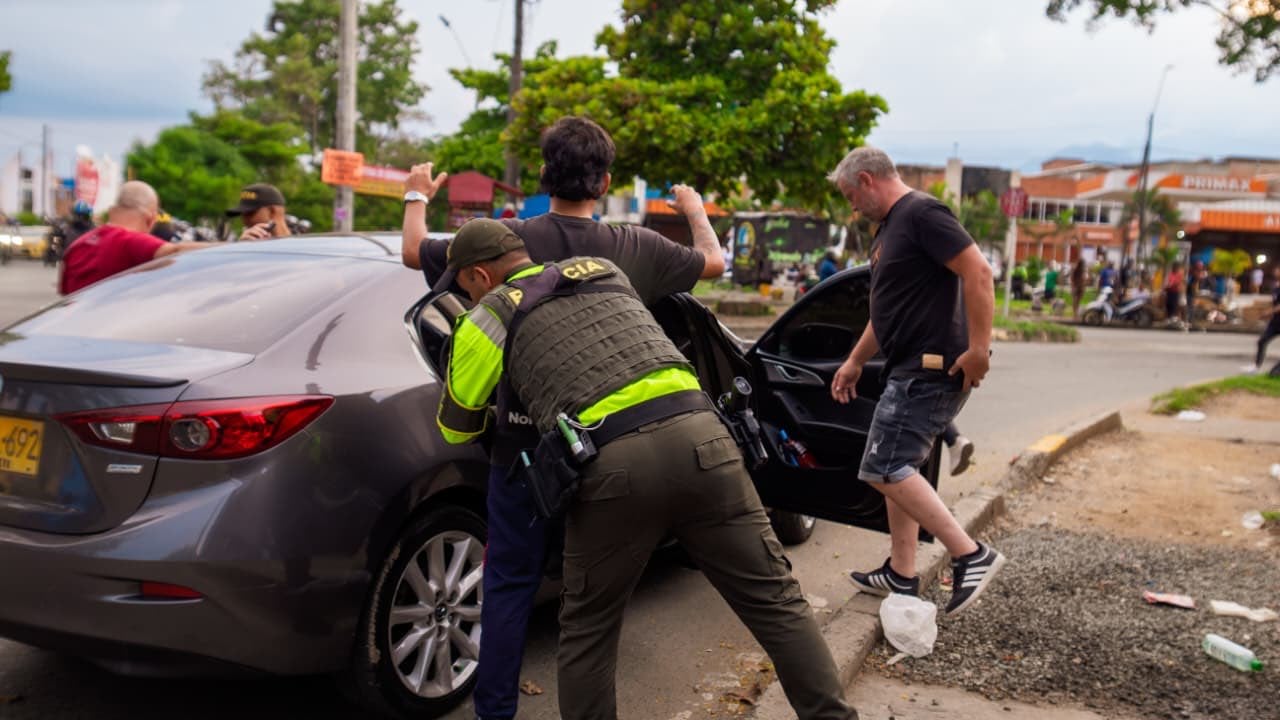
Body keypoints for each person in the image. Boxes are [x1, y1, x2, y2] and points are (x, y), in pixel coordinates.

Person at [435, 219, 857, 720]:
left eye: (462, 287)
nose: (465, 296)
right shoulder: (604, 271)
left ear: (479, 276)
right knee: (777, 602)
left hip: (613, 467)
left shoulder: (488, 316)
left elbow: (457, 428)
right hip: (705, 438)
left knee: (590, 632)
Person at [400, 116, 726, 720]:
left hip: (521, 449)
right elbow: (714, 263)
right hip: (611, 446)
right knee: (592, 593)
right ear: (604, 181)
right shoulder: (633, 246)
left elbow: (413, 250)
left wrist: (417, 191)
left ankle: (494, 710)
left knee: (507, 582)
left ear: (545, 173)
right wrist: (693, 208)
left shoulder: (501, 240)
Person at [827, 147, 1004, 613]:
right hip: (905, 369)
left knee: (883, 467)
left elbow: (979, 272)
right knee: (896, 466)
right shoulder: (890, 230)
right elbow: (883, 314)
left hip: (929, 371)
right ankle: (901, 573)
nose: (852, 208)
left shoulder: (922, 213)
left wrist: (979, 350)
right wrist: (855, 361)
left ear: (866, 180)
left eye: (850, 196)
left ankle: (971, 554)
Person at [59, 181, 213, 295]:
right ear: (150, 218)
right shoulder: (128, 241)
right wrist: (233, 247)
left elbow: (64, 294)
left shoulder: (76, 246)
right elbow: (174, 250)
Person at [1245, 265, 1280, 374]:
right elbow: (1275, 302)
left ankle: (1276, 370)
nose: (1276, 271)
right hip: (1275, 322)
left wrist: (1270, 312)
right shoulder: (1276, 286)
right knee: (1262, 341)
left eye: (1278, 270)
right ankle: (1256, 366)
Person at [226, 183, 292, 240]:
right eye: (242, 214)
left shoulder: (300, 242)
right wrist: (243, 248)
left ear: (272, 212)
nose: (244, 220)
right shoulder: (244, 243)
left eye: (250, 213)